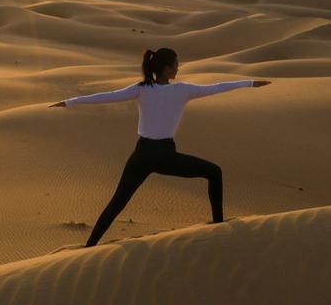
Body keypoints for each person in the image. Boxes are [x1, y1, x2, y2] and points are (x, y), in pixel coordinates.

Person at [48, 47, 271, 247]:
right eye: (176, 64)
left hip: (141, 155)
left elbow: (107, 97)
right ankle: (218, 227)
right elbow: (217, 87)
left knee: (117, 202)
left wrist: (70, 102)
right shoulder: (182, 90)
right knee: (214, 172)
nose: (178, 68)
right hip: (164, 156)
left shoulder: (142, 88)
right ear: (166, 69)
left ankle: (90, 246)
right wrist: (249, 83)